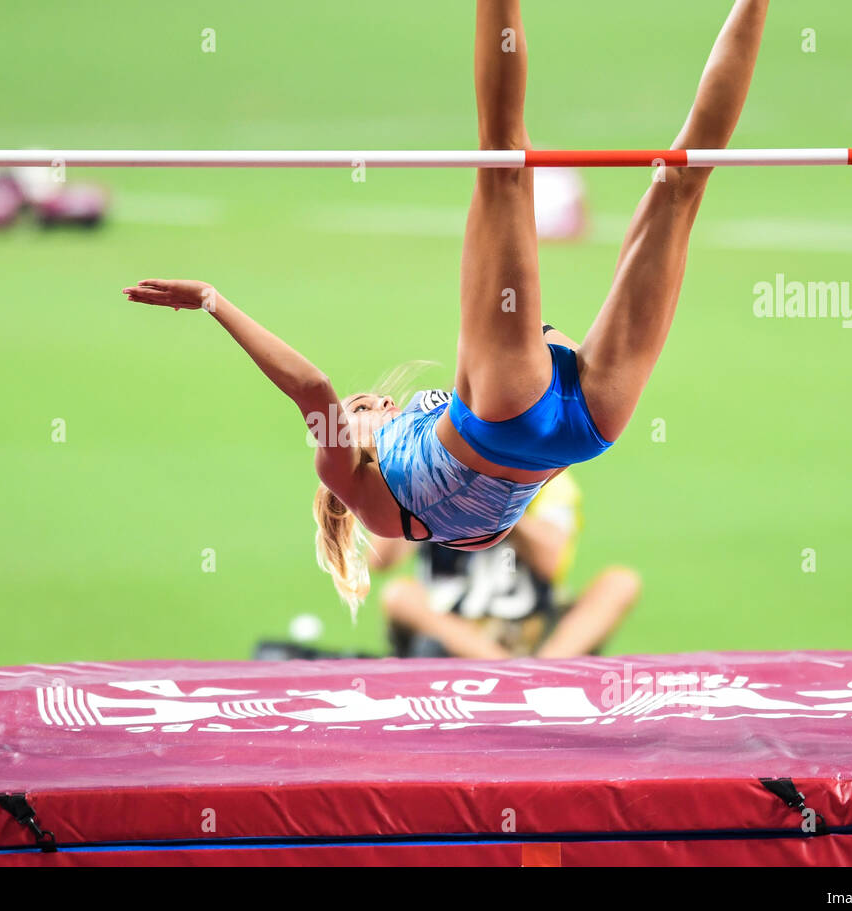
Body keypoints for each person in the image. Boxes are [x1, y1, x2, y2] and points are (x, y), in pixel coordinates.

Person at [124, 0, 768, 616]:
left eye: (368, 401)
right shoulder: (357, 485)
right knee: (503, 159)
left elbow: (532, 467)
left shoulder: (445, 516)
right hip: (528, 411)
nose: (370, 401)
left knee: (684, 177)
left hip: (585, 423)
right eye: (359, 409)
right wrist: (213, 301)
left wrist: (545, 354)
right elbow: (313, 388)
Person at [370, 472, 641, 659]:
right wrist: (415, 491)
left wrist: (501, 506)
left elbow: (550, 561)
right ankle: (509, 669)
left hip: (533, 625)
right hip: (455, 627)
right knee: (399, 595)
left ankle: (547, 667)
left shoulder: (549, 478)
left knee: (619, 583)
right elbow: (380, 561)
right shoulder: (432, 479)